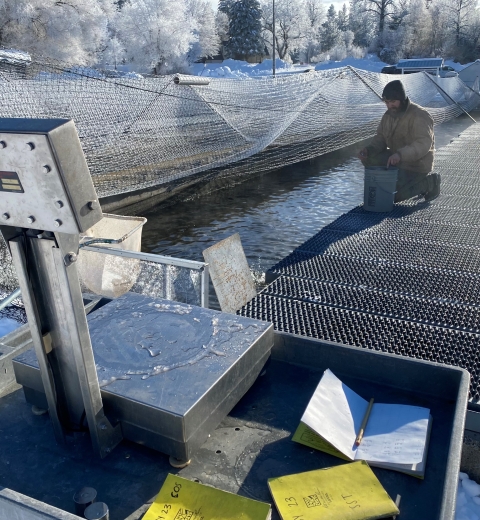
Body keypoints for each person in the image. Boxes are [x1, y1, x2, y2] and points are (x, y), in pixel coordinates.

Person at [358, 79, 440, 202]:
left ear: (402, 99)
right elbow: (380, 137)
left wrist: (400, 155)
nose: (390, 105)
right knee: (369, 158)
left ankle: (431, 181)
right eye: (387, 102)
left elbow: (423, 144)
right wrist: (368, 150)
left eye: (393, 101)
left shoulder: (419, 115)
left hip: (417, 165)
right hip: (397, 162)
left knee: (395, 197)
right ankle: (390, 182)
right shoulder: (388, 116)